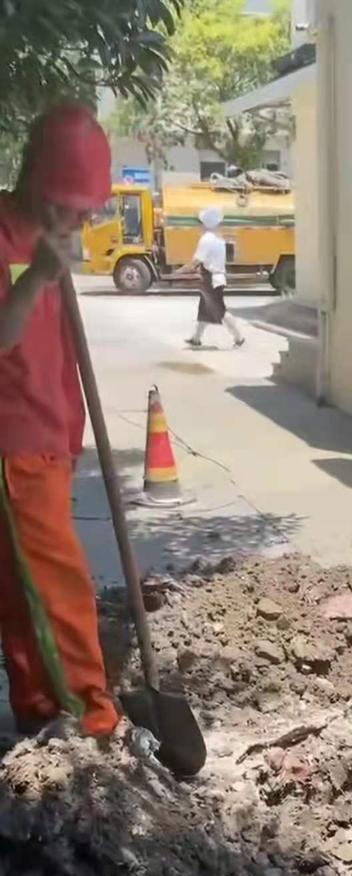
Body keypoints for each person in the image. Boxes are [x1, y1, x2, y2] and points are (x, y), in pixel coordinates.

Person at [0, 103, 120, 737]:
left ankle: (39, 713)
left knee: (23, 593)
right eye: (69, 205)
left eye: (85, 209)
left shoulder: (48, 238)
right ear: (36, 183)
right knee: (57, 588)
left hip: (48, 437)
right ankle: (94, 724)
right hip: (13, 445)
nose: (78, 219)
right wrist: (38, 277)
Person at [180, 207, 245, 349]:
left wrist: (182, 271)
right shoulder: (218, 239)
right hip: (215, 278)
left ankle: (239, 338)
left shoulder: (206, 239)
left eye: (200, 222)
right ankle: (196, 339)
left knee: (220, 310)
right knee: (204, 309)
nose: (198, 225)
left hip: (211, 280)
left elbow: (197, 261)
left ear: (206, 224)